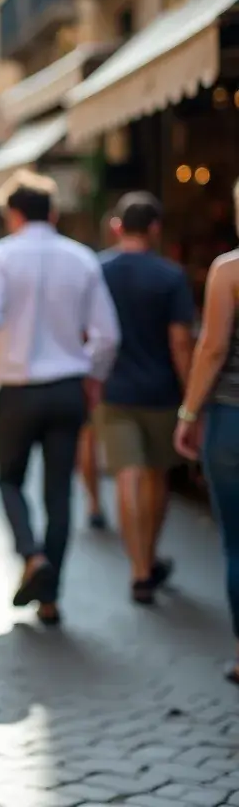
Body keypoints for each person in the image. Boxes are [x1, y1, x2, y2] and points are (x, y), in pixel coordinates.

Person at [0, 169, 119, 626]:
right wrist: (91, 375)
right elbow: (108, 336)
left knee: (9, 481)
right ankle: (50, 598)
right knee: (58, 493)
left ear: (13, 214)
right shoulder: (82, 258)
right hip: (69, 387)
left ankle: (31, 557)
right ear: (52, 212)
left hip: (17, 389)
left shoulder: (0, 256)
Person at [97, 192, 193, 604]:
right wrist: (192, 397)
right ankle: (149, 557)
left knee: (127, 478)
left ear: (118, 226)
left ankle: (138, 571)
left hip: (114, 390)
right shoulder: (171, 276)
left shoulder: (97, 270)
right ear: (155, 228)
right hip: (161, 392)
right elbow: (181, 343)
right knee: (156, 477)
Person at [174, 178, 239, 685]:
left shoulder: (229, 270)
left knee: (236, 543)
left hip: (231, 420)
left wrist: (189, 414)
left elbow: (213, 348)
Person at [78, 208, 118, 529]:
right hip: (128, 372)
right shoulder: (89, 265)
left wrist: (89, 371)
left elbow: (91, 330)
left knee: (88, 439)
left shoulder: (93, 266)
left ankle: (93, 502)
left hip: (94, 371)